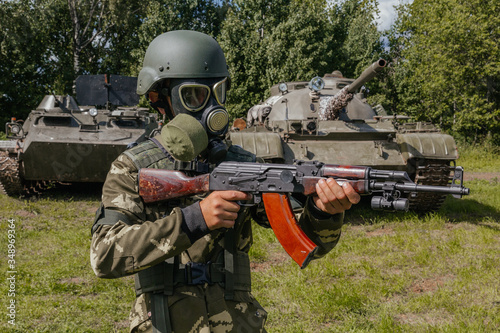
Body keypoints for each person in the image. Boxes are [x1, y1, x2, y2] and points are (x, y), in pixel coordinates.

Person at [90, 30, 360, 333]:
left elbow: (310, 244)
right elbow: (103, 255)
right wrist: (194, 219)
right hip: (163, 323)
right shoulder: (133, 167)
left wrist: (324, 212)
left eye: (219, 92)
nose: (212, 108)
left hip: (237, 323)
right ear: (159, 99)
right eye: (194, 96)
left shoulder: (243, 163)